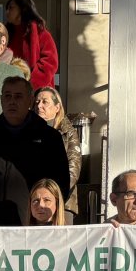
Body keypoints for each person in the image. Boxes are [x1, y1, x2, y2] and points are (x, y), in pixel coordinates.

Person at [0, 76, 70, 226]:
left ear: (30, 101)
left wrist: (46, 219)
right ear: (1, 100)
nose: (12, 101)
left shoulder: (49, 138)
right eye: (8, 96)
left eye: (18, 96)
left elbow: (60, 184)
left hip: (32, 225)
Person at [34, 87, 82, 219]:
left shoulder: (68, 132)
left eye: (45, 102)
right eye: (37, 102)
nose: (39, 106)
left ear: (57, 107)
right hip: (34, 201)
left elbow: (73, 168)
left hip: (63, 201)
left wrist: (54, 195)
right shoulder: (29, 132)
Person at [4, 0, 59, 90]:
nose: (7, 12)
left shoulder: (41, 33)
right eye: (7, 9)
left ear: (22, 9)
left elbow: (49, 62)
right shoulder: (7, 34)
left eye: (11, 8)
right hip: (11, 88)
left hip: (35, 90)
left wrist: (31, 84)